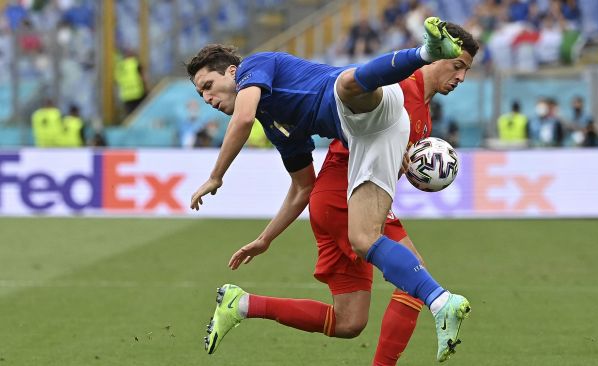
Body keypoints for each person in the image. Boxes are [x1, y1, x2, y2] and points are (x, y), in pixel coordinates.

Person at [187, 17, 474, 362]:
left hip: (340, 193)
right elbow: (296, 178)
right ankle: (438, 303)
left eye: (207, 86)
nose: (206, 97)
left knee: (349, 321)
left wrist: (266, 238)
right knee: (412, 272)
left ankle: (243, 304)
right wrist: (217, 176)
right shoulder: (278, 120)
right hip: (340, 193)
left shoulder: (423, 119)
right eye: (457, 66)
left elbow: (302, 187)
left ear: (232, 73)